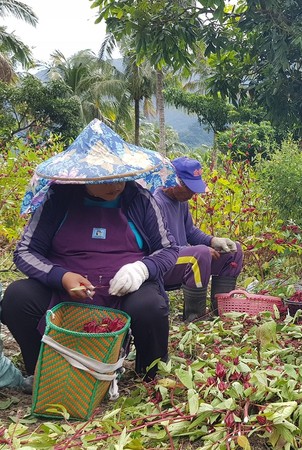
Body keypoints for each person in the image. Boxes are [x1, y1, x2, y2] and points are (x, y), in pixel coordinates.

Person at [1, 120, 178, 384]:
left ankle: (151, 373)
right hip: (66, 294)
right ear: (83, 176)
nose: (116, 185)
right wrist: (61, 277)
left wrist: (140, 270)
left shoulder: (139, 199)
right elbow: (25, 252)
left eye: (121, 176)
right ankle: (45, 370)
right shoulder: (57, 201)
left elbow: (168, 249)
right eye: (106, 177)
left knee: (150, 306)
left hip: (123, 292)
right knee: (16, 298)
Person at [153, 157, 243, 321]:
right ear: (174, 181)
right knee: (200, 254)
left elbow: (190, 232)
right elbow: (162, 247)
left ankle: (220, 311)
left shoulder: (181, 201)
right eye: (189, 188)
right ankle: (196, 317)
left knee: (234, 250)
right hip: (162, 263)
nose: (193, 194)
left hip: (182, 259)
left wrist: (214, 241)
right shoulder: (156, 202)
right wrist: (200, 251)